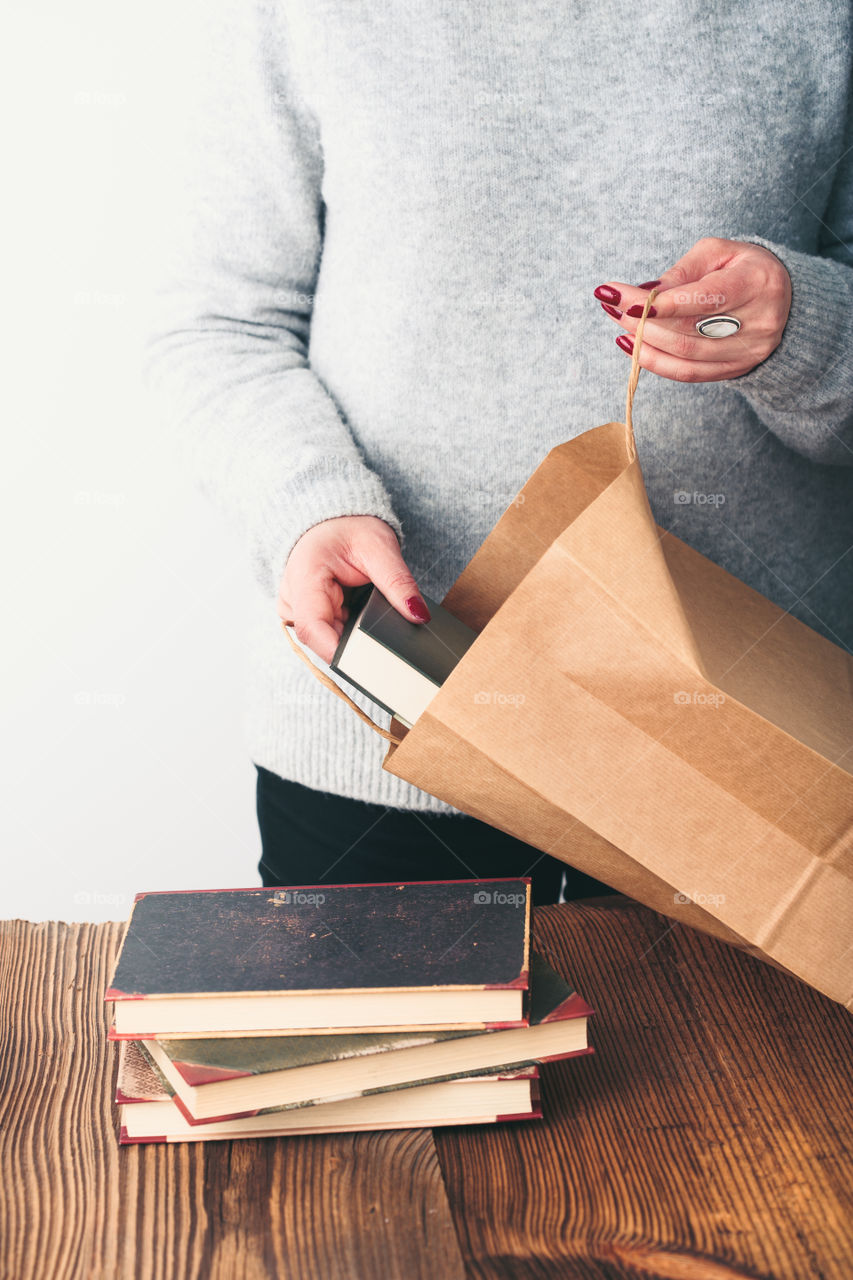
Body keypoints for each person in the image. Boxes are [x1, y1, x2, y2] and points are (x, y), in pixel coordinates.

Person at [145, 1, 853, 904]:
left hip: (753, 752)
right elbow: (218, 325)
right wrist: (308, 506)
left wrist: (805, 335)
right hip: (392, 732)